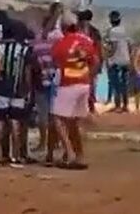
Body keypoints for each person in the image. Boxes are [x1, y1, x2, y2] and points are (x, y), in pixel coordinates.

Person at [0, 10, 34, 168]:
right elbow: (27, 72)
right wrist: (28, 89)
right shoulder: (24, 49)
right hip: (18, 89)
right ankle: (16, 156)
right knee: (15, 122)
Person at [51, 12, 99, 169]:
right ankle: (80, 155)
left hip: (68, 83)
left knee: (58, 118)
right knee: (75, 122)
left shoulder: (61, 43)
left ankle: (69, 152)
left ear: (64, 27)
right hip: (84, 83)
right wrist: (89, 78)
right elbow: (95, 61)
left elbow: (56, 62)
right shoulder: (87, 40)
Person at [31, 3, 62, 156]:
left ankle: (44, 143)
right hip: (55, 79)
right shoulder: (57, 39)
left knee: (43, 114)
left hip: (41, 79)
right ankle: (53, 142)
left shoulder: (37, 41)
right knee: (54, 114)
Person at [106, 10, 132, 113]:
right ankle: (125, 105)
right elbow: (129, 45)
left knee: (116, 84)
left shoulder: (113, 31)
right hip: (126, 60)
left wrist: (108, 55)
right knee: (124, 84)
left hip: (116, 61)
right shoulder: (125, 30)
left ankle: (117, 105)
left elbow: (114, 47)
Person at [77, 10, 102, 114]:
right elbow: (99, 48)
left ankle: (88, 106)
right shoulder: (94, 31)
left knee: (86, 84)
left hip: (85, 62)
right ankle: (89, 106)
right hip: (90, 61)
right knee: (90, 84)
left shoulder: (76, 31)